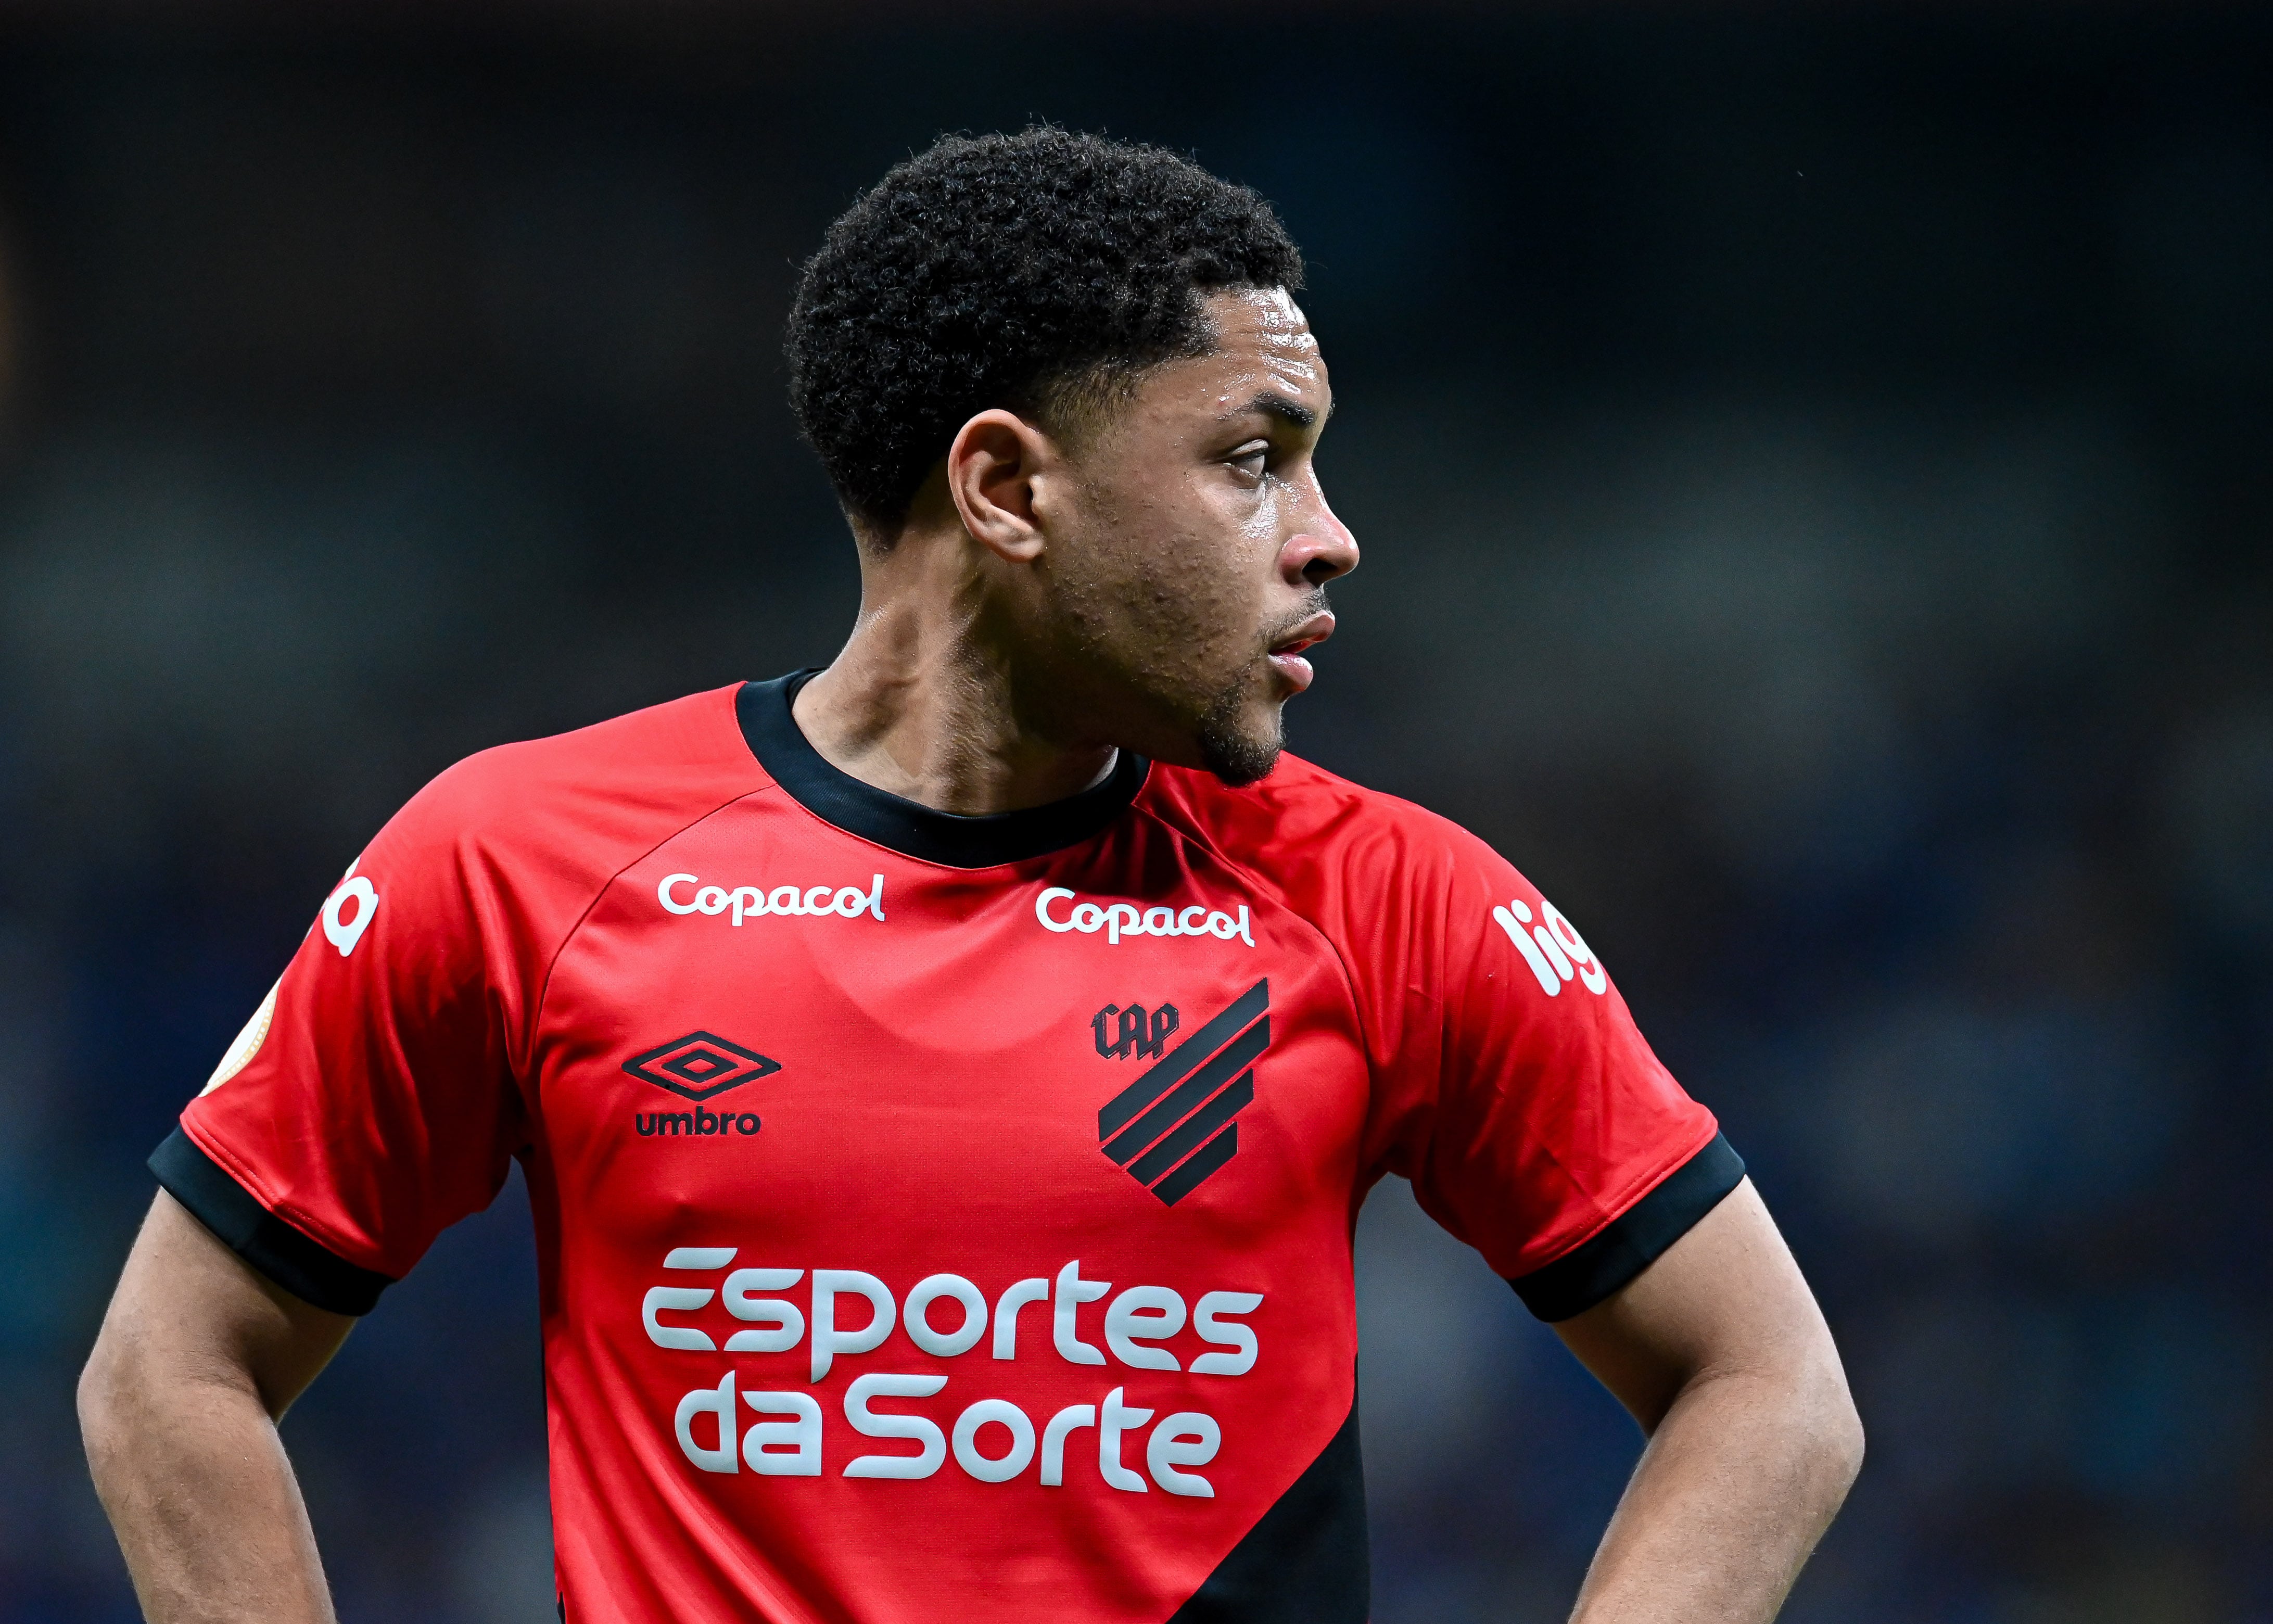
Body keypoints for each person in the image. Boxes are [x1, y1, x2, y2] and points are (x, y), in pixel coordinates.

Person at [79, 128, 1861, 1623]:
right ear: (1009, 487)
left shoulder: (1394, 901)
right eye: (1252, 461)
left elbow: (1771, 1387)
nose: (1329, 535)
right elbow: (170, 1369)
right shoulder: (523, 863)